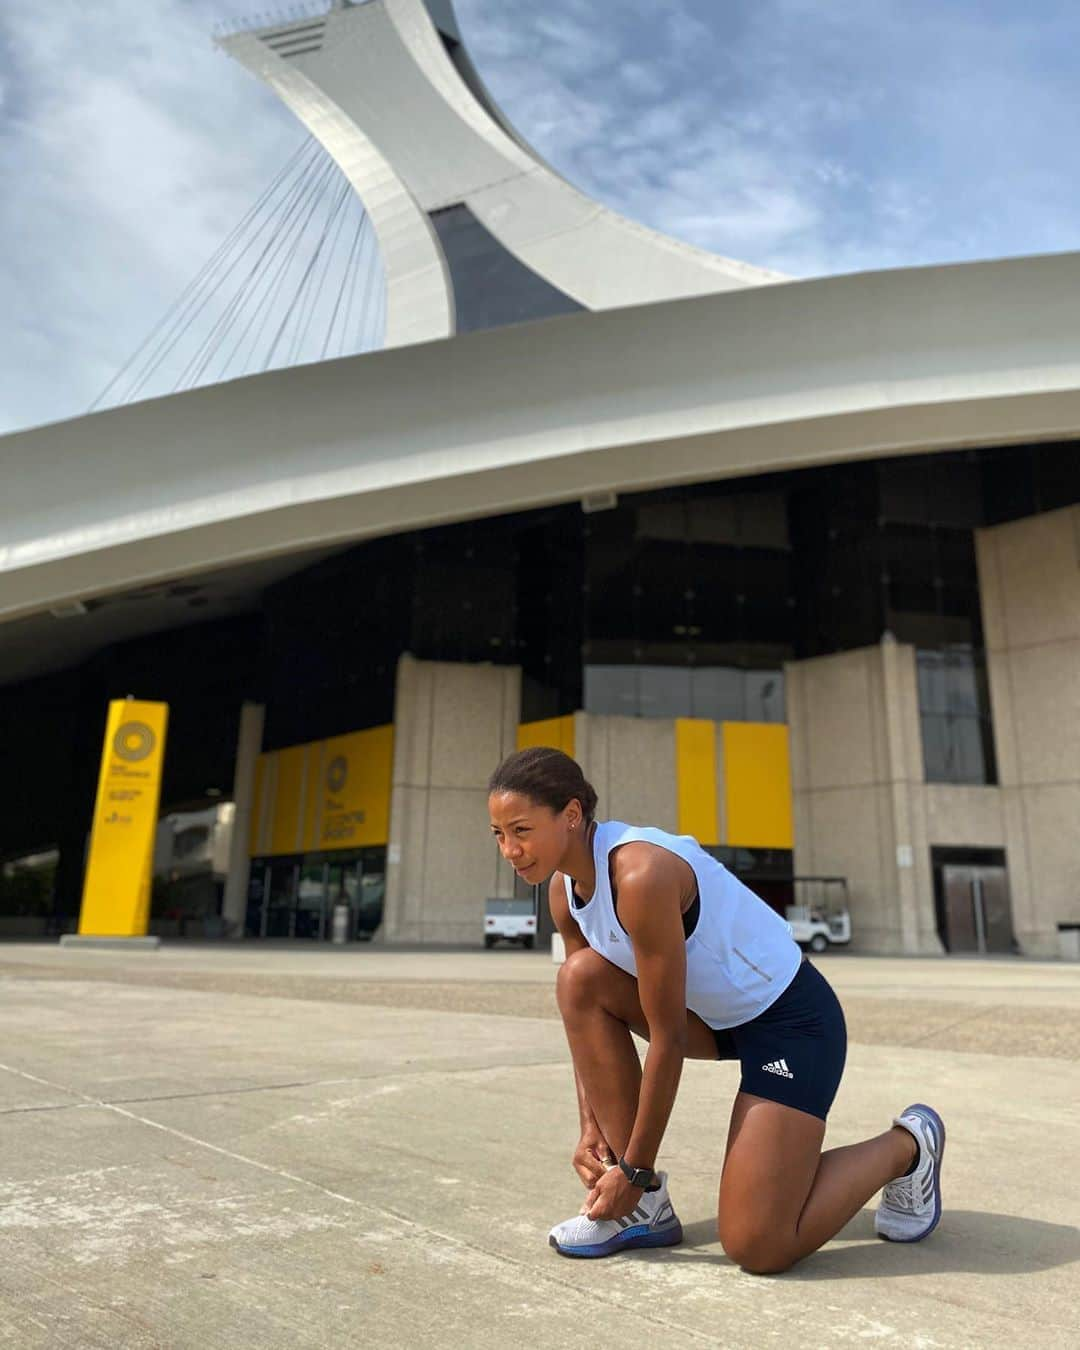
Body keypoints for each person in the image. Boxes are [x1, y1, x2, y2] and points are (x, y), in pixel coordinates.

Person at [487, 746, 945, 1270]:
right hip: (712, 1020)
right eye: (499, 835)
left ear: (570, 816)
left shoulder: (639, 875)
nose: (510, 850)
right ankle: (647, 1213)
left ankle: (908, 1145)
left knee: (759, 1246)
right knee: (579, 980)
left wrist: (633, 1170)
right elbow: (584, 1017)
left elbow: (668, 1039)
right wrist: (593, 1132)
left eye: (521, 830)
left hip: (788, 1023)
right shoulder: (562, 894)